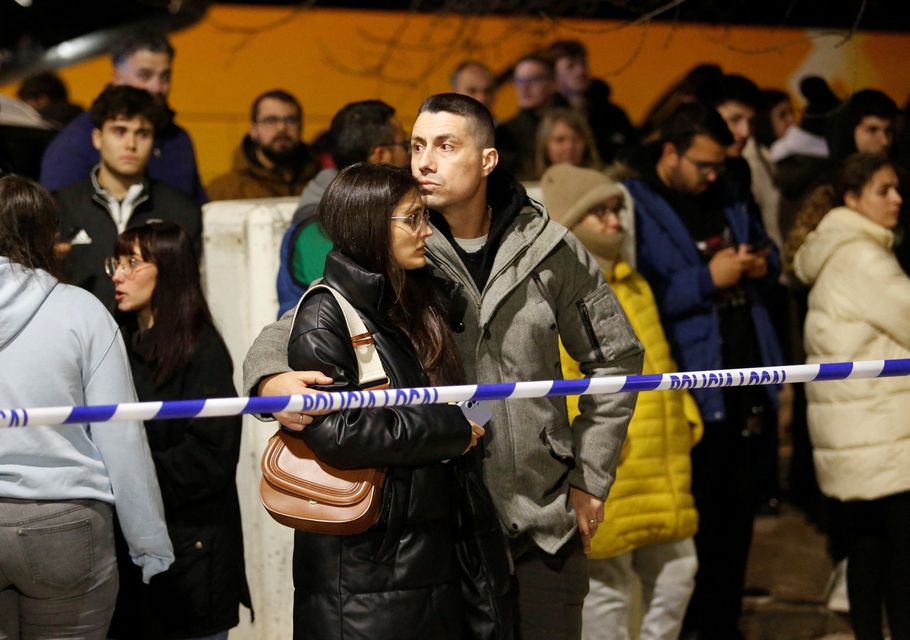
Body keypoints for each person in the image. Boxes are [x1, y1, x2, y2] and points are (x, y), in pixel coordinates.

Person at [244, 93, 643, 640]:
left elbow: (616, 357)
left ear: (487, 160)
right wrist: (271, 380)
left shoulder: (552, 248)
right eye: (417, 146)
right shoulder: (403, 239)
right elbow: (297, 322)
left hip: (540, 519)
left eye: (446, 146)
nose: (424, 161)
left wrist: (590, 478)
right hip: (440, 523)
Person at [284, 163, 510, 639]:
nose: (426, 231)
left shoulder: (418, 300)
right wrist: (451, 432)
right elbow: (336, 431)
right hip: (367, 567)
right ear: (368, 224)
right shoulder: (325, 311)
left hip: (434, 548)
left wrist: (471, 421)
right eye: (412, 219)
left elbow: (478, 385)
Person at [623, 102, 783, 640]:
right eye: (704, 165)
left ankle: (723, 624)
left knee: (740, 518)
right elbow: (639, 296)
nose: (714, 175)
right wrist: (708, 279)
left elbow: (772, 251)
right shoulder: (636, 203)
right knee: (697, 522)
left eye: (719, 165)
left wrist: (764, 264)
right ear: (671, 151)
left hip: (747, 377)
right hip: (688, 385)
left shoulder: (731, 191)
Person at [0, 175, 173, 638]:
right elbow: (121, 434)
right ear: (44, 235)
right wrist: (149, 541)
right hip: (63, 522)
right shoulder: (81, 311)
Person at [541, 164, 702, 640]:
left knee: (677, 573)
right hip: (614, 462)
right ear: (569, 224)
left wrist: (686, 416)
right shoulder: (554, 293)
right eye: (599, 213)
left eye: (616, 210)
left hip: (662, 460)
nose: (615, 222)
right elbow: (562, 386)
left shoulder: (636, 283)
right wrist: (594, 451)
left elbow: (662, 361)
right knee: (605, 589)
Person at [102, 221, 251, 638]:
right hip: (136, 558)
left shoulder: (200, 349)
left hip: (192, 558)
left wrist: (127, 478)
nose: (117, 273)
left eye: (133, 263)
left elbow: (209, 458)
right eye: (117, 261)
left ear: (169, 270)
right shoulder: (119, 343)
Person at [788, 153, 910, 640]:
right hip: (885, 437)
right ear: (852, 199)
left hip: (859, 436)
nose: (897, 199)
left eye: (897, 188)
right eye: (884, 190)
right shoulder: (861, 255)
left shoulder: (835, 251)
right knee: (900, 562)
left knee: (866, 553)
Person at [53, 84, 202, 312]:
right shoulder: (58, 207)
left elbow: (189, 296)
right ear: (97, 137)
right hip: (78, 340)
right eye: (119, 131)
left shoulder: (180, 212)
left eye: (142, 133)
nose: (131, 144)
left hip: (156, 343)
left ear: (154, 141)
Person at [276, 99, 411, 316]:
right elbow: (342, 309)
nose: (411, 155)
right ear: (381, 156)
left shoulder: (380, 215)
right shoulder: (319, 230)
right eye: (404, 145)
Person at [40, 28, 206, 204]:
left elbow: (196, 210)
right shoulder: (75, 143)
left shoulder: (178, 140)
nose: (157, 87)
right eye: (145, 75)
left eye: (165, 77)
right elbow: (59, 216)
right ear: (116, 78)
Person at [207, 89, 319, 200]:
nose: (282, 128)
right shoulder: (224, 190)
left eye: (290, 120)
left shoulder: (324, 185)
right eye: (270, 120)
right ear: (254, 130)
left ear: (300, 127)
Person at [546, 40, 638, 164]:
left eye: (583, 63)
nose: (581, 71)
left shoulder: (614, 115)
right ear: (554, 77)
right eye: (570, 66)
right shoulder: (548, 119)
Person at [496, 54, 563, 180]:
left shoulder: (571, 125)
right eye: (519, 81)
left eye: (533, 80)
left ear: (553, 83)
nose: (524, 88)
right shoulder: (504, 134)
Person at [533, 107, 603, 179]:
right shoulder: (529, 186)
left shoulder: (605, 184)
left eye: (576, 139)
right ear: (545, 146)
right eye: (560, 140)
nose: (569, 146)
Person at [17, 71, 83, 128]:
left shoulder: (41, 121)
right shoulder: (81, 113)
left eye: (25, 101)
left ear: (41, 99)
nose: (24, 107)